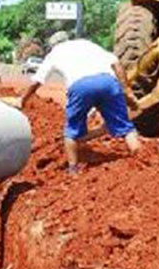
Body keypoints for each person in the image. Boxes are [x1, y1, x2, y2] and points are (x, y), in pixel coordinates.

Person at [15, 34, 142, 175]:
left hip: (81, 86)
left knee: (71, 132)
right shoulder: (86, 43)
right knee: (126, 128)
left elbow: (37, 80)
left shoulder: (55, 52)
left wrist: (23, 100)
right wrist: (126, 90)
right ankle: (142, 159)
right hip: (108, 82)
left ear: (52, 45)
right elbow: (116, 64)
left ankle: (73, 170)